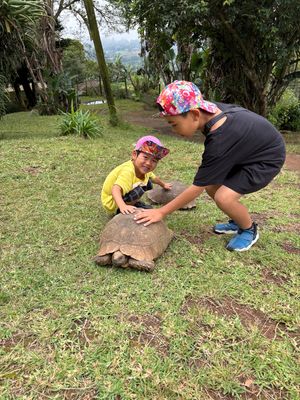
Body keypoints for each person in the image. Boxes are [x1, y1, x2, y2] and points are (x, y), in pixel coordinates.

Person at [134, 80, 286, 252]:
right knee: (212, 187)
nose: (174, 131)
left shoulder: (220, 139)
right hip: (246, 150)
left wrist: (161, 212)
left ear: (194, 114)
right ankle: (237, 220)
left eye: (174, 124)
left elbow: (197, 186)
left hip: (265, 158)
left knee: (224, 197)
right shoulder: (210, 111)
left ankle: (249, 229)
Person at [101, 135, 172, 215]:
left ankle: (132, 203)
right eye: (145, 157)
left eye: (154, 160)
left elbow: (154, 178)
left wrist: (164, 185)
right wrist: (122, 206)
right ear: (134, 155)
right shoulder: (128, 171)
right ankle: (120, 210)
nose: (148, 163)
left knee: (148, 183)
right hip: (112, 203)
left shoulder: (144, 170)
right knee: (139, 190)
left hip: (121, 196)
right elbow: (115, 189)